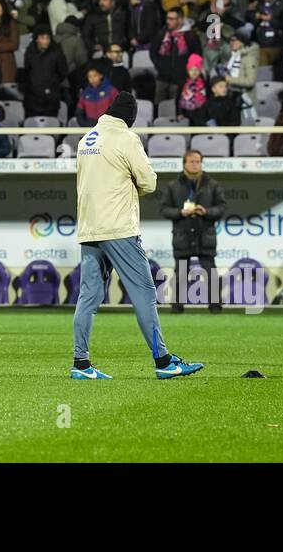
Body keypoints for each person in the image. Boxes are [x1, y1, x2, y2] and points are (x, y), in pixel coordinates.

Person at [71, 92, 203, 380]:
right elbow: (149, 181)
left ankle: (81, 364)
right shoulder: (126, 138)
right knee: (144, 293)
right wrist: (132, 188)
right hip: (119, 228)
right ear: (129, 117)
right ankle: (164, 361)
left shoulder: (86, 140)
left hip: (89, 226)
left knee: (88, 297)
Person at [160, 149, 227, 313]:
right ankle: (177, 307)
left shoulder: (212, 184)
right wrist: (179, 213)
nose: (195, 164)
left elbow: (222, 207)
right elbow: (164, 209)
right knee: (181, 272)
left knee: (210, 272)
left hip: (205, 235)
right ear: (184, 163)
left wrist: (207, 212)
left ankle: (215, 307)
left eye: (197, 161)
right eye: (191, 161)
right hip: (182, 235)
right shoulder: (173, 185)